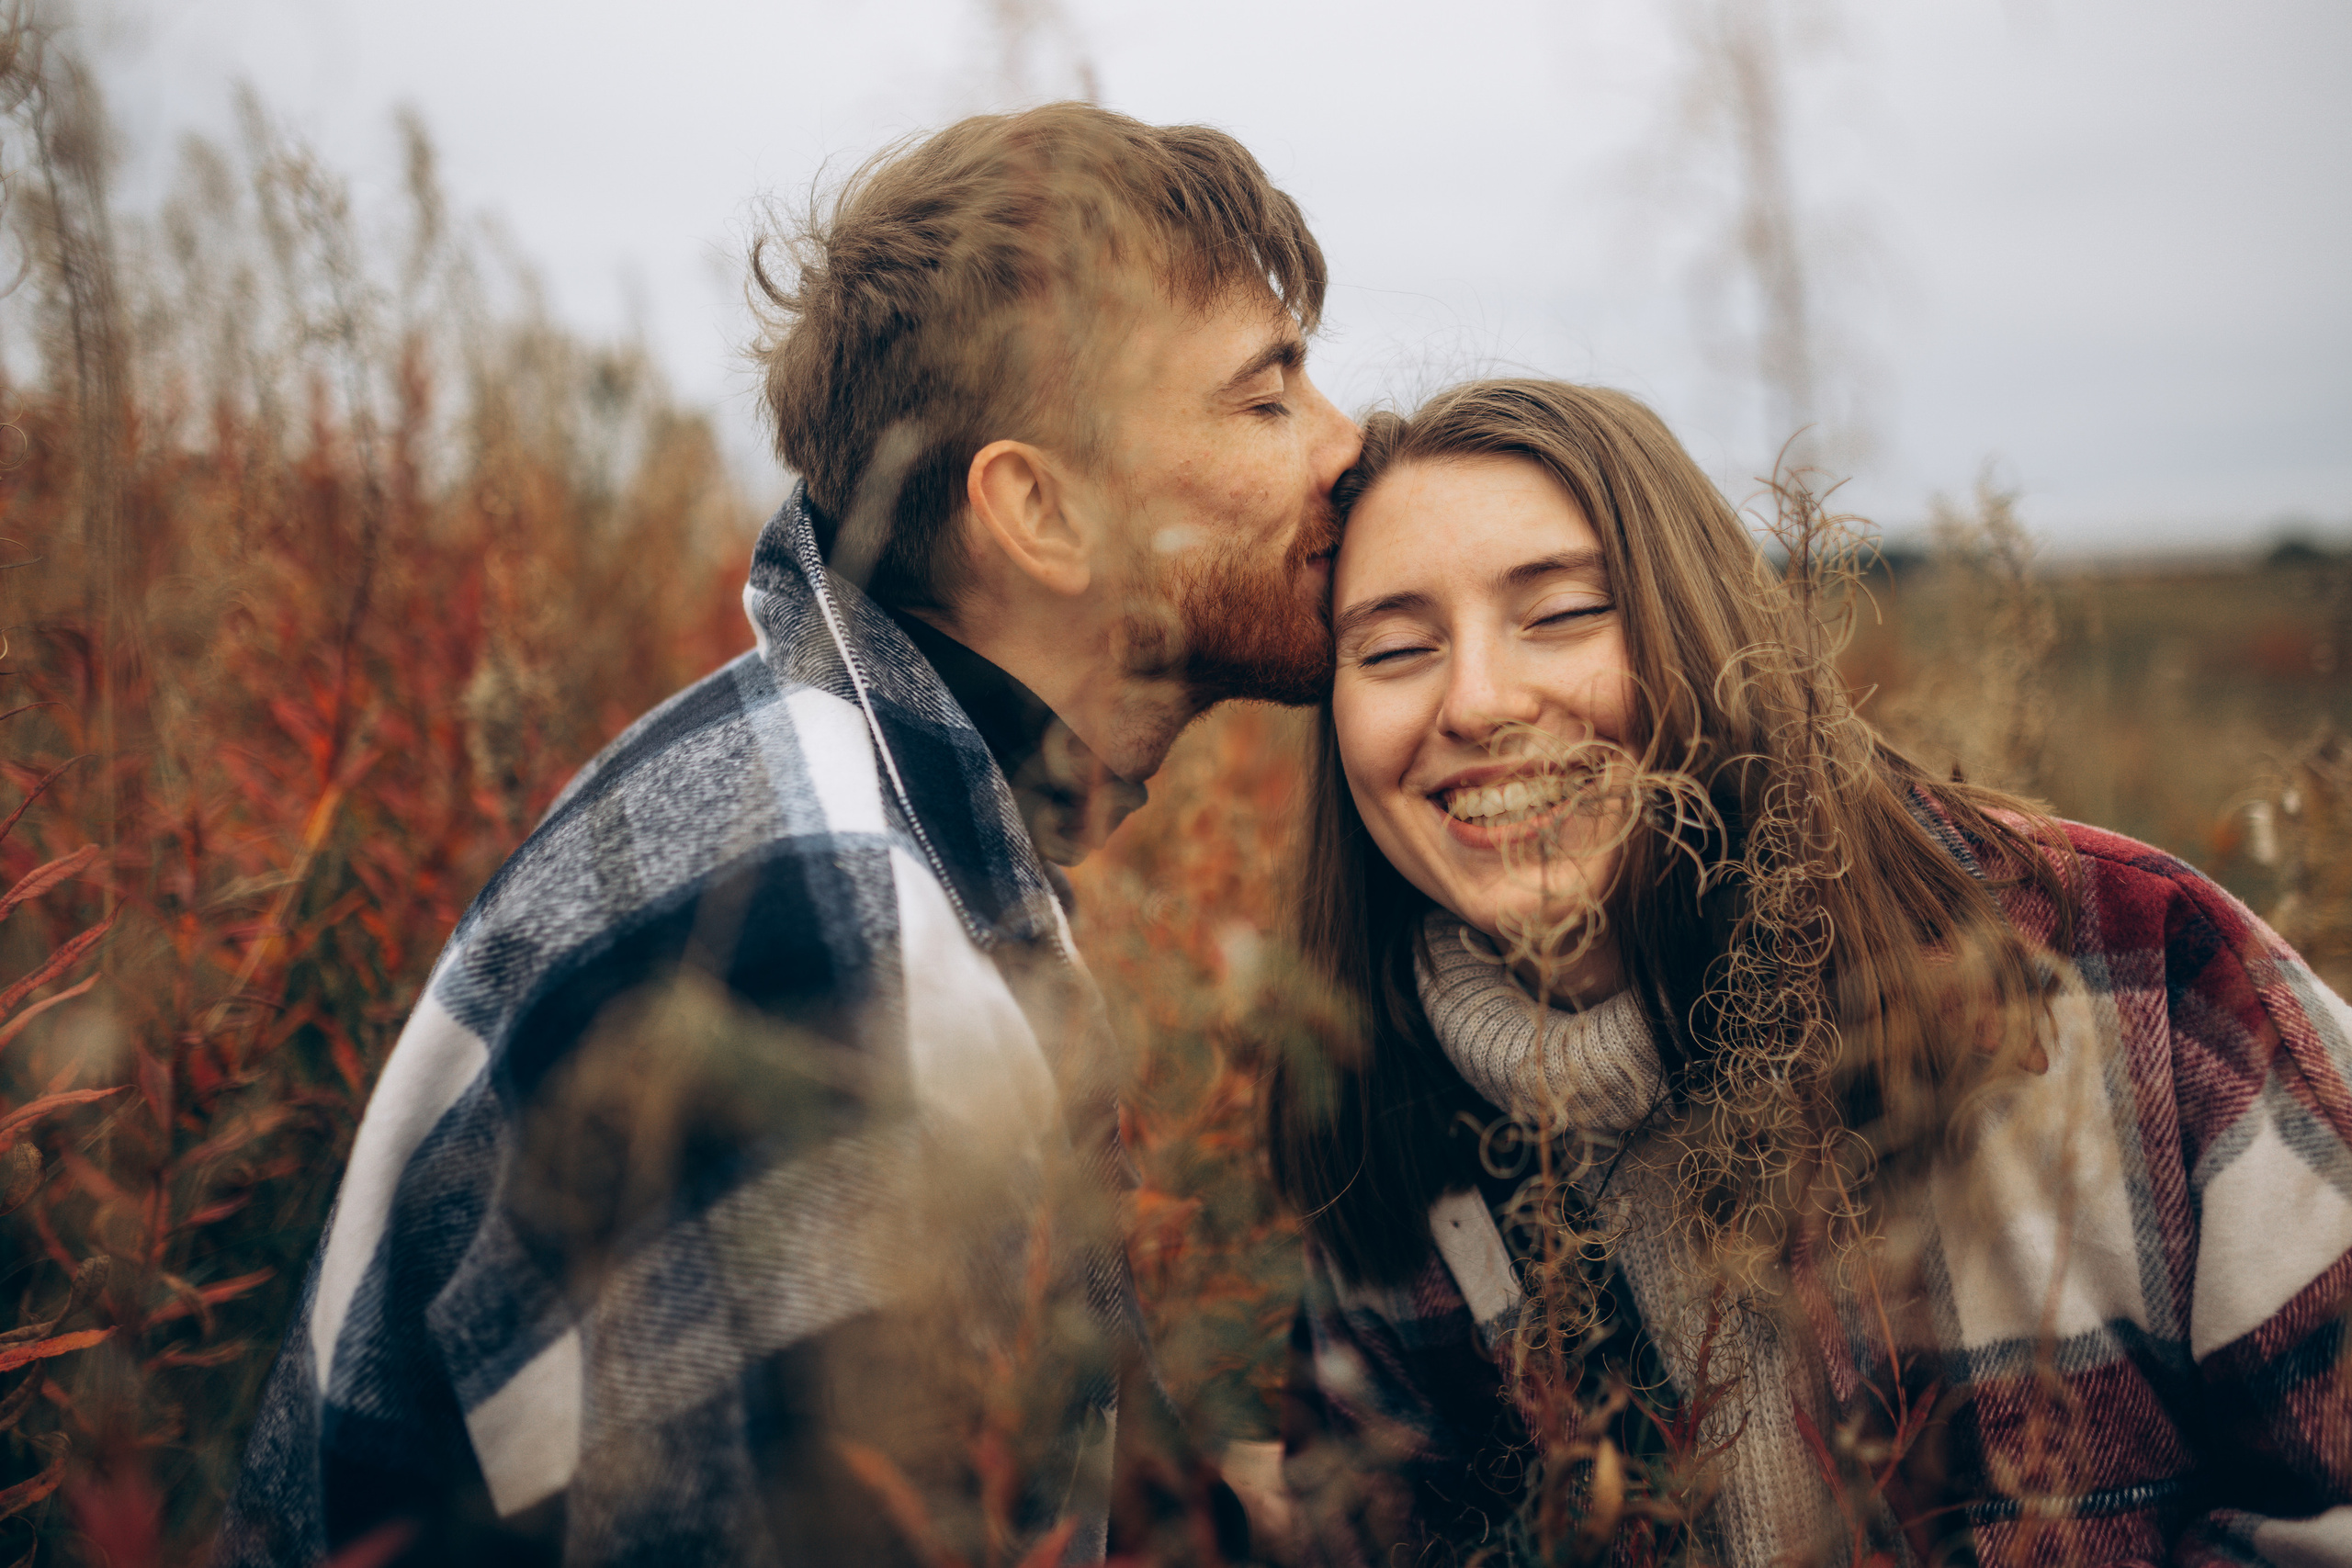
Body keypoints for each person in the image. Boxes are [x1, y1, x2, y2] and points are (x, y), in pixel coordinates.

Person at [219, 102, 1359, 1567]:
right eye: (1267, 398)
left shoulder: (861, 791)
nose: (1349, 445)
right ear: (1043, 512)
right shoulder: (815, 939)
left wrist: (1203, 1522)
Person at [1267, 379, 2352, 1567]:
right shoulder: (1378, 1135)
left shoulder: (2136, 970)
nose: (1477, 702)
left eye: (1566, 612)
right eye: (1395, 648)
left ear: (1700, 628)